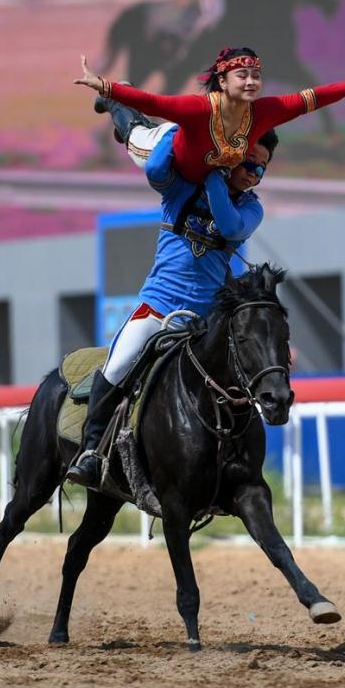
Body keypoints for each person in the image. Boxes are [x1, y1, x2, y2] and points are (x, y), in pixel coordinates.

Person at [66, 115, 279, 489]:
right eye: (249, 164)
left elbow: (229, 228)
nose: (254, 175)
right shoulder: (181, 189)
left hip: (206, 321)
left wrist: (214, 175)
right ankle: (91, 451)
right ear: (233, 155)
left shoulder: (252, 209)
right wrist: (186, 127)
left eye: (261, 169)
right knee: (116, 368)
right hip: (158, 308)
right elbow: (156, 166)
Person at [74, 46, 345, 185]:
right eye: (242, 75)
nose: (251, 82)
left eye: (255, 75)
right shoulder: (200, 109)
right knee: (135, 137)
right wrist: (105, 86)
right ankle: (115, 109)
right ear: (222, 82)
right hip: (165, 152)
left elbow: (311, 99)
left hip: (203, 181)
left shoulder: (264, 112)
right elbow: (154, 102)